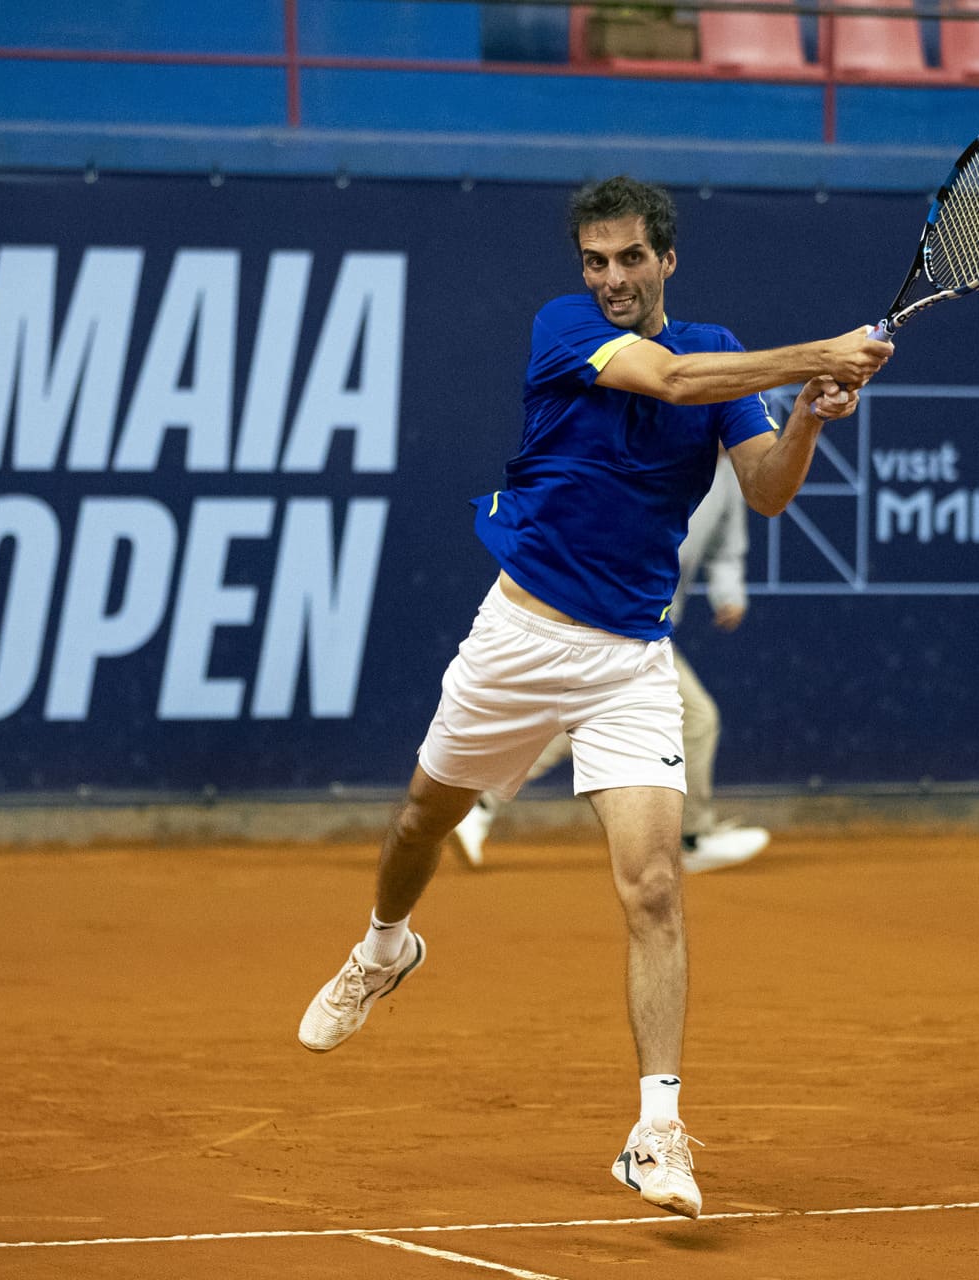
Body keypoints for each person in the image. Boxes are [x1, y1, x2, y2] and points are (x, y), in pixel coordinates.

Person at [297, 176, 892, 1219]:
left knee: (655, 885)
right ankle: (384, 946)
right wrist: (816, 354)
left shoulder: (719, 348)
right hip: (518, 636)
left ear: (669, 259)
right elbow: (668, 383)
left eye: (629, 259)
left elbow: (766, 488)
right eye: (595, 259)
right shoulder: (566, 327)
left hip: (630, 660)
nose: (610, 278)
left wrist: (804, 413)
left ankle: (654, 1129)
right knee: (418, 820)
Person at [447, 447, 772, 875]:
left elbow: (726, 549)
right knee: (694, 718)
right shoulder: (654, 453)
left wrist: (728, 595)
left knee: (573, 720)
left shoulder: (727, 479)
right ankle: (690, 837)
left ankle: (474, 802)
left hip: (644, 621)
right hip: (612, 611)